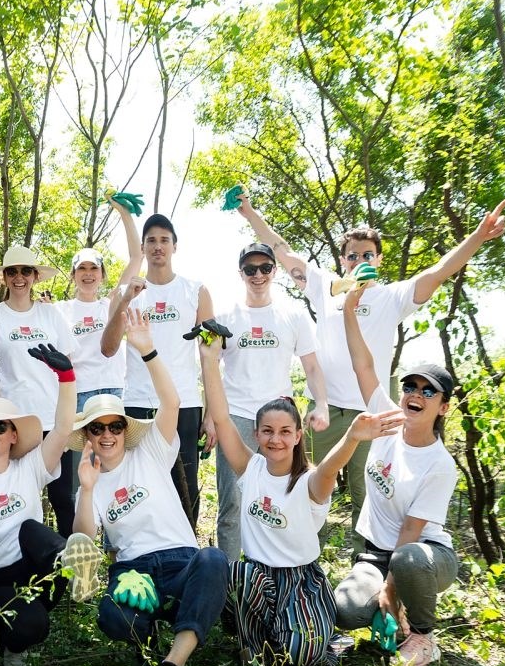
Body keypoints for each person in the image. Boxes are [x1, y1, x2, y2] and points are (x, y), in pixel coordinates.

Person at [238, 192, 505, 547]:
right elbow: (282, 249)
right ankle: (306, 561)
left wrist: (477, 237)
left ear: (379, 259)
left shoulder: (394, 297)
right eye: (353, 256)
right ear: (343, 259)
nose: (359, 260)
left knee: (368, 494)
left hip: (372, 411)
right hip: (325, 411)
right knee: (312, 486)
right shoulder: (327, 288)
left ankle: (364, 568)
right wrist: (248, 211)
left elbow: (439, 271)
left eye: (368, 255)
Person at [199, 333, 402, 666]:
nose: (275, 439)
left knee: (302, 653)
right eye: (267, 431)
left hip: (300, 580)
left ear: (297, 436)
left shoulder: (309, 482)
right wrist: (209, 360)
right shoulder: (251, 469)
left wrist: (352, 436)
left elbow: (329, 469)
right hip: (259, 577)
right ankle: (253, 650)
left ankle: (304, 641)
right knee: (239, 573)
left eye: (283, 431)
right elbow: (221, 418)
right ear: (258, 435)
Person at [72, 309, 229, 666]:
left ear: (125, 429)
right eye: (97, 428)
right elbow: (82, 538)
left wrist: (147, 350)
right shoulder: (91, 476)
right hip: (133, 569)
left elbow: (171, 403)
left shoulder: (151, 452)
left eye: (114, 425)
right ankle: (146, 636)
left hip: (180, 562)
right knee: (113, 617)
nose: (107, 434)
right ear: (89, 435)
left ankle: (175, 659)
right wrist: (86, 488)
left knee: (214, 561)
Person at [0, 346, 100, 666]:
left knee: (30, 528)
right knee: (32, 625)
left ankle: (71, 565)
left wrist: (67, 378)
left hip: (38, 569)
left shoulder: (30, 468)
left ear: (13, 435)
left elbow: (61, 430)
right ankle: (10, 642)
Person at [334, 286, 463, 666]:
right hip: (376, 551)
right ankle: (388, 613)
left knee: (406, 560)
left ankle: (422, 634)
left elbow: (410, 531)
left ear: (443, 406)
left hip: (425, 556)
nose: (415, 394)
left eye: (428, 391)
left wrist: (390, 592)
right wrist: (348, 314)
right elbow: (363, 365)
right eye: (410, 386)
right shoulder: (387, 421)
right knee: (344, 611)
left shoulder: (439, 465)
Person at [209, 242, 330, 561]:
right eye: (250, 269)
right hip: (236, 416)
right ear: (241, 274)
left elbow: (313, 367)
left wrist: (321, 403)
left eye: (265, 268)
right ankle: (232, 581)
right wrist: (211, 416)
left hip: (279, 423)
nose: (258, 275)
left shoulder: (294, 315)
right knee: (233, 502)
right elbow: (210, 367)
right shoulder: (224, 317)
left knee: (286, 497)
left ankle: (279, 565)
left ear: (275, 271)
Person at [100, 214, 214, 529]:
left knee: (184, 486)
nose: (158, 246)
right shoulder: (127, 291)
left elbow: (209, 356)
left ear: (175, 246)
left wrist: (212, 413)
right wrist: (124, 300)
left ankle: (188, 558)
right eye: (151, 240)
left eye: (164, 239)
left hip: (185, 402)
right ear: (143, 247)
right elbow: (108, 348)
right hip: (137, 402)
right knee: (139, 487)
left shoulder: (196, 291)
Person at [0, 246, 76, 535]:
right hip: (15, 425)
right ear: (4, 277)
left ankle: (71, 574)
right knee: (19, 501)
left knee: (64, 499)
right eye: (12, 271)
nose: (19, 278)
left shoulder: (51, 315)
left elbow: (69, 367)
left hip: (54, 421)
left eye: (25, 271)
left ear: (35, 276)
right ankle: (22, 571)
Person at [56, 195, 143, 411]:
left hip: (113, 389)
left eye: (94, 268)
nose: (88, 274)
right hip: (77, 393)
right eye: (82, 269)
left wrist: (124, 213)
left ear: (102, 275)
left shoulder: (111, 303)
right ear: (73, 275)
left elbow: (136, 257)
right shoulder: (60, 310)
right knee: (79, 447)